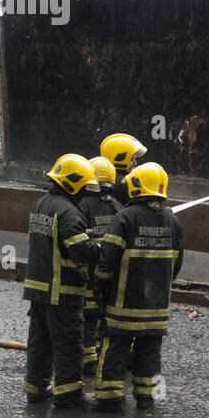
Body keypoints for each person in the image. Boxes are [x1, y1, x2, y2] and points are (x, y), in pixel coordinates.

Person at [91, 161, 183, 410]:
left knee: (115, 349)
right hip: (156, 310)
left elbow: (107, 257)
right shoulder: (173, 222)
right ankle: (146, 397)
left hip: (123, 307)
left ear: (137, 187)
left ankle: (110, 399)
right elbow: (176, 265)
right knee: (150, 352)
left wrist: (99, 284)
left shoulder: (125, 217)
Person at [22, 153, 98, 407]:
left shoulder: (40, 204)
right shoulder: (68, 212)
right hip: (62, 292)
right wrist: (99, 246)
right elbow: (80, 252)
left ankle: (36, 388)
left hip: (37, 289)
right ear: (75, 183)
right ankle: (68, 395)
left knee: (40, 344)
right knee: (67, 344)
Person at [76, 156, 122, 375]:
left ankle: (88, 361)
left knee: (87, 320)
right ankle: (103, 357)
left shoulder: (83, 205)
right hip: (109, 277)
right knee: (103, 321)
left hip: (88, 275)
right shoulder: (117, 206)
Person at [99, 132, 148, 206]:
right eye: (132, 159)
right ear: (120, 158)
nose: (135, 163)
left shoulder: (98, 178)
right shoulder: (125, 183)